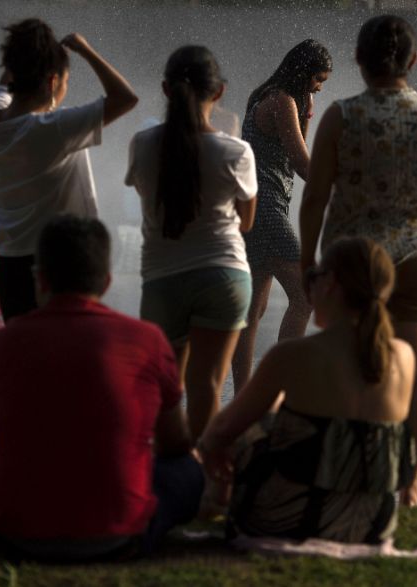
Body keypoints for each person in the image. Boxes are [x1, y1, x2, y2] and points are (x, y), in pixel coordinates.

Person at [0, 215, 202, 562]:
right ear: (107, 281)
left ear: (40, 279)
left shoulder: (5, 342)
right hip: (121, 536)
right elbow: (176, 442)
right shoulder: (147, 340)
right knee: (186, 469)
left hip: (15, 535)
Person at [299, 15, 417, 506]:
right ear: (412, 61)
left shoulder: (340, 116)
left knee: (349, 365)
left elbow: (315, 198)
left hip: (354, 260)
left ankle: (350, 472)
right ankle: (408, 484)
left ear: (358, 60)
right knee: (416, 374)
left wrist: (310, 263)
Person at [200, 237, 416, 544]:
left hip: (289, 520)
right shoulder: (404, 357)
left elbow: (220, 432)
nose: (307, 285)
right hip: (372, 525)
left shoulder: (292, 355)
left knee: (253, 426)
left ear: (330, 284)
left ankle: (216, 499)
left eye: (313, 275)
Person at [125, 46, 257, 440]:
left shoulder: (143, 144)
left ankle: (169, 475)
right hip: (225, 276)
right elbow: (246, 222)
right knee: (208, 388)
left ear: (166, 89)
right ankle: (201, 478)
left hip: (163, 276)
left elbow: (146, 196)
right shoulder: (235, 151)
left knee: (167, 390)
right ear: (218, 94)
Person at [0, 18, 138, 321]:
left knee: (27, 354)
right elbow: (125, 98)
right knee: (66, 353)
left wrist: (29, 47)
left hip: (10, 264)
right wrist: (85, 50)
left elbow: (5, 83)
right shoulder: (53, 129)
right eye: (65, 81)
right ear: (53, 82)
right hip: (61, 261)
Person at [231, 40, 333, 393]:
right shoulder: (280, 101)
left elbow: (296, 155)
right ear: (303, 72)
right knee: (306, 295)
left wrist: (307, 112)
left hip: (254, 206)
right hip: (267, 208)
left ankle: (247, 394)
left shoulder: (275, 97)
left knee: (252, 310)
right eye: (318, 79)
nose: (320, 86)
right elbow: (302, 162)